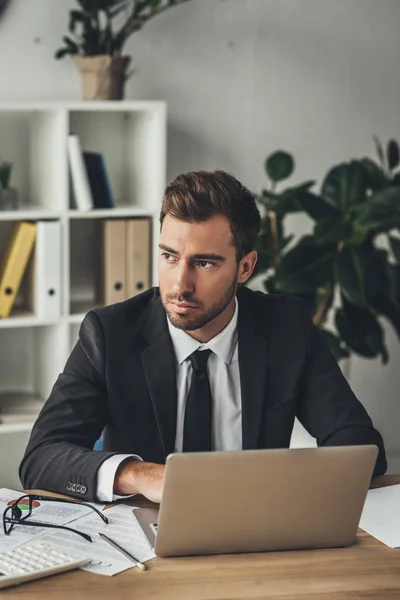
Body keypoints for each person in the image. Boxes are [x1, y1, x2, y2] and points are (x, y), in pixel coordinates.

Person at [19, 170, 387, 504]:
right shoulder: (109, 333)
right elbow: (41, 458)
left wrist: (281, 482)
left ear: (245, 267)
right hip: (144, 543)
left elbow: (362, 447)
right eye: (169, 256)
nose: (181, 285)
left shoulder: (287, 327)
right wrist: (141, 475)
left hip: (257, 533)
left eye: (204, 263)